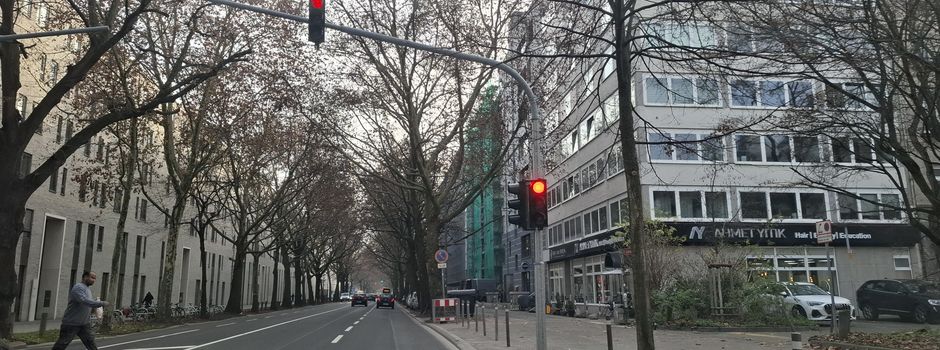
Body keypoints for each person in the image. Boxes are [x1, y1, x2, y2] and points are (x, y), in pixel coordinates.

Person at [53, 271, 109, 350]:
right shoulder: (78, 287)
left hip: (84, 324)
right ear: (85, 277)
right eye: (92, 277)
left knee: (91, 343)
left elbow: (87, 305)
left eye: (95, 279)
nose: (94, 280)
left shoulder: (87, 289)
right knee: (62, 344)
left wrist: (95, 311)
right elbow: (84, 301)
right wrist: (101, 303)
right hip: (71, 323)